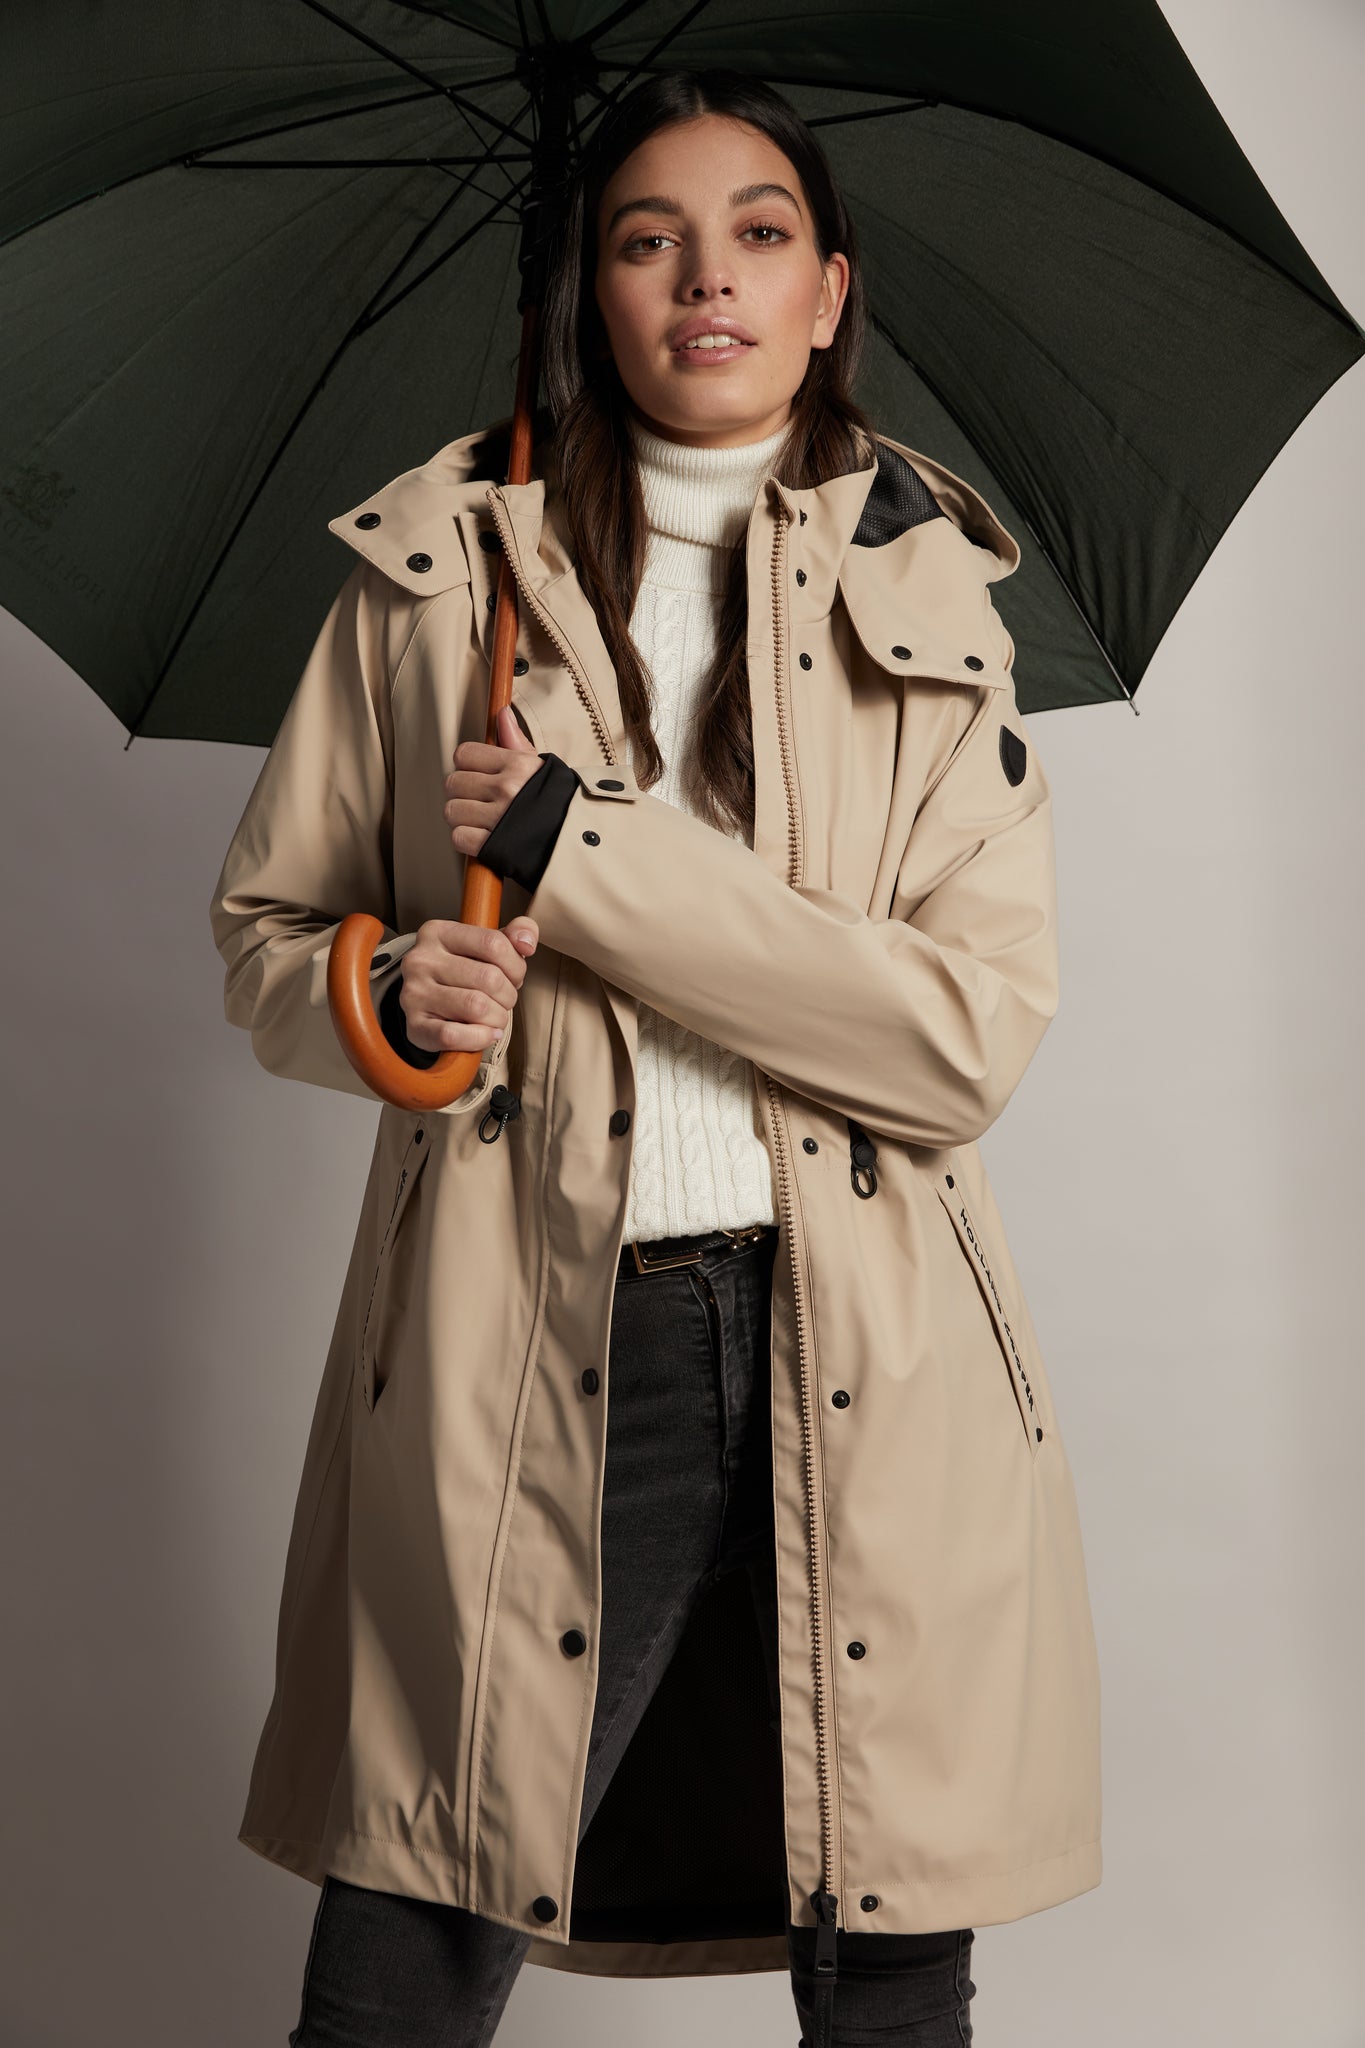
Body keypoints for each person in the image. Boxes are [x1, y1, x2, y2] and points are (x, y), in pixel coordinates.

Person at [210, 65, 1102, 2048]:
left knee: (885, 1965)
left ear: (827, 289)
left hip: (862, 1338)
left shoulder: (935, 600)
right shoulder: (433, 583)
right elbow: (267, 935)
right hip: (512, 1327)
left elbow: (954, 1044)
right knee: (407, 1948)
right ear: (587, 290)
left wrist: (573, 848)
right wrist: (387, 991)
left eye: (757, 234)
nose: (707, 276)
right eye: (646, 239)